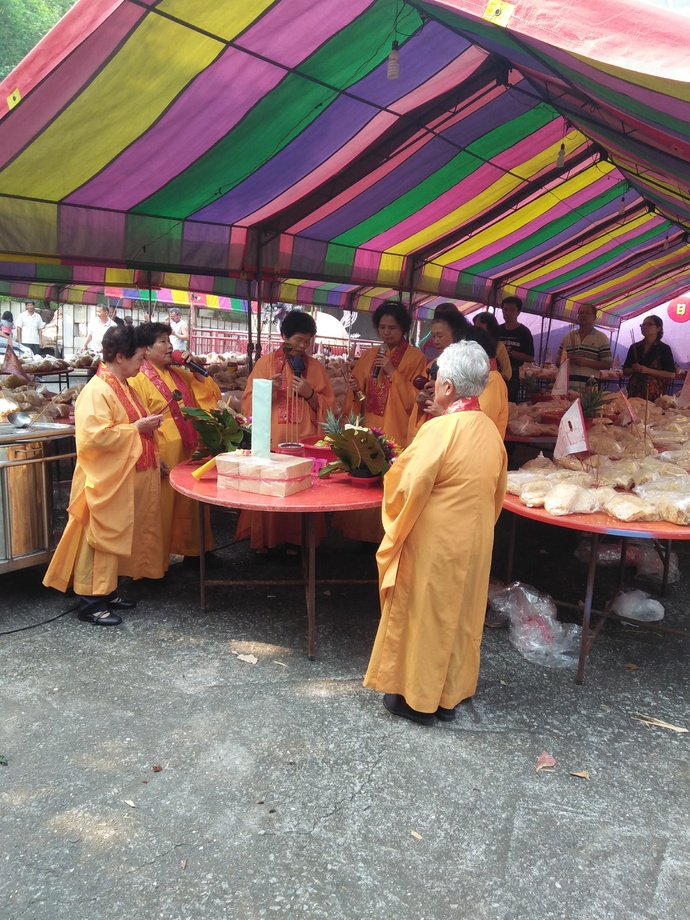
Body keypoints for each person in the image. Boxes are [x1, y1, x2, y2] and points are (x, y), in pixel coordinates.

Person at [363, 341, 507, 725]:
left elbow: (405, 486)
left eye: (438, 377)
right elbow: (497, 496)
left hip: (436, 544)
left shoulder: (439, 431)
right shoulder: (490, 431)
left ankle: (417, 700)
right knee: (461, 618)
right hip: (475, 544)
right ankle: (449, 698)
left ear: (447, 388)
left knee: (425, 616)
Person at [43, 326, 165, 626]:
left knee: (117, 535)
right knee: (99, 539)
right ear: (120, 357)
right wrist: (137, 429)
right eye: (139, 358)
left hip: (121, 475)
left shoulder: (123, 384)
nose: (142, 364)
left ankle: (107, 590)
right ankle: (89, 601)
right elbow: (93, 438)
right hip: (103, 479)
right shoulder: (97, 390)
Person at [236, 311, 334, 552]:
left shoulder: (316, 368)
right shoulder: (265, 363)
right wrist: (267, 389)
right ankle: (267, 541)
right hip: (272, 439)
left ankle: (298, 541)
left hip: (303, 440)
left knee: (299, 489)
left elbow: (330, 408)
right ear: (283, 336)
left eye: (307, 341)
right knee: (270, 489)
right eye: (298, 340)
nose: (302, 346)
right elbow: (246, 405)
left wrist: (310, 393)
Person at [131, 323, 222, 568]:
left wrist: (197, 370)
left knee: (192, 504)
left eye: (169, 340)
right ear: (146, 349)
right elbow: (135, 418)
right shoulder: (138, 377)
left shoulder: (179, 373)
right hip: (162, 449)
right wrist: (151, 452)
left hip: (190, 445)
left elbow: (212, 395)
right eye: (162, 341)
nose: (170, 345)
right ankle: (152, 568)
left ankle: (196, 551)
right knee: (159, 509)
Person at [337, 300, 427, 545]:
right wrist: (356, 390)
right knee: (365, 476)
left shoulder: (416, 358)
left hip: (396, 427)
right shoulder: (369, 355)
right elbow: (363, 397)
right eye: (383, 327)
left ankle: (388, 535)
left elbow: (416, 398)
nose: (387, 332)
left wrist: (392, 373)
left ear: (403, 329)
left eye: (393, 328)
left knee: (390, 479)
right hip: (370, 424)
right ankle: (361, 535)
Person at [557, 303, 612, 393]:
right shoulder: (568, 337)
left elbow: (607, 364)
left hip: (589, 390)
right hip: (567, 389)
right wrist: (566, 358)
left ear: (594, 318)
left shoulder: (601, 338)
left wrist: (586, 362)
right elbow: (557, 362)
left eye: (587, 313)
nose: (583, 315)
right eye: (581, 313)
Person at [622, 315, 676, 400]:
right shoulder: (635, 347)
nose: (644, 327)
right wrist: (633, 369)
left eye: (649, 324)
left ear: (658, 328)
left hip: (653, 392)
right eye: (643, 325)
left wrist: (647, 370)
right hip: (634, 390)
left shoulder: (664, 348)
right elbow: (625, 371)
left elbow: (671, 374)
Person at [497, 296, 534, 403]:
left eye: (512, 310)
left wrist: (510, 352)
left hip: (513, 373)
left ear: (518, 312)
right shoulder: (497, 330)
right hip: (496, 371)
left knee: (509, 404)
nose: (508, 313)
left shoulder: (524, 332)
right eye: (505, 310)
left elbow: (530, 357)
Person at [473, 311, 512, 383]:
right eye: (475, 324)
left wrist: (493, 379)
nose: (477, 327)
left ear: (490, 326)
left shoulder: (498, 346)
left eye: (480, 323)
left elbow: (507, 373)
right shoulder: (471, 344)